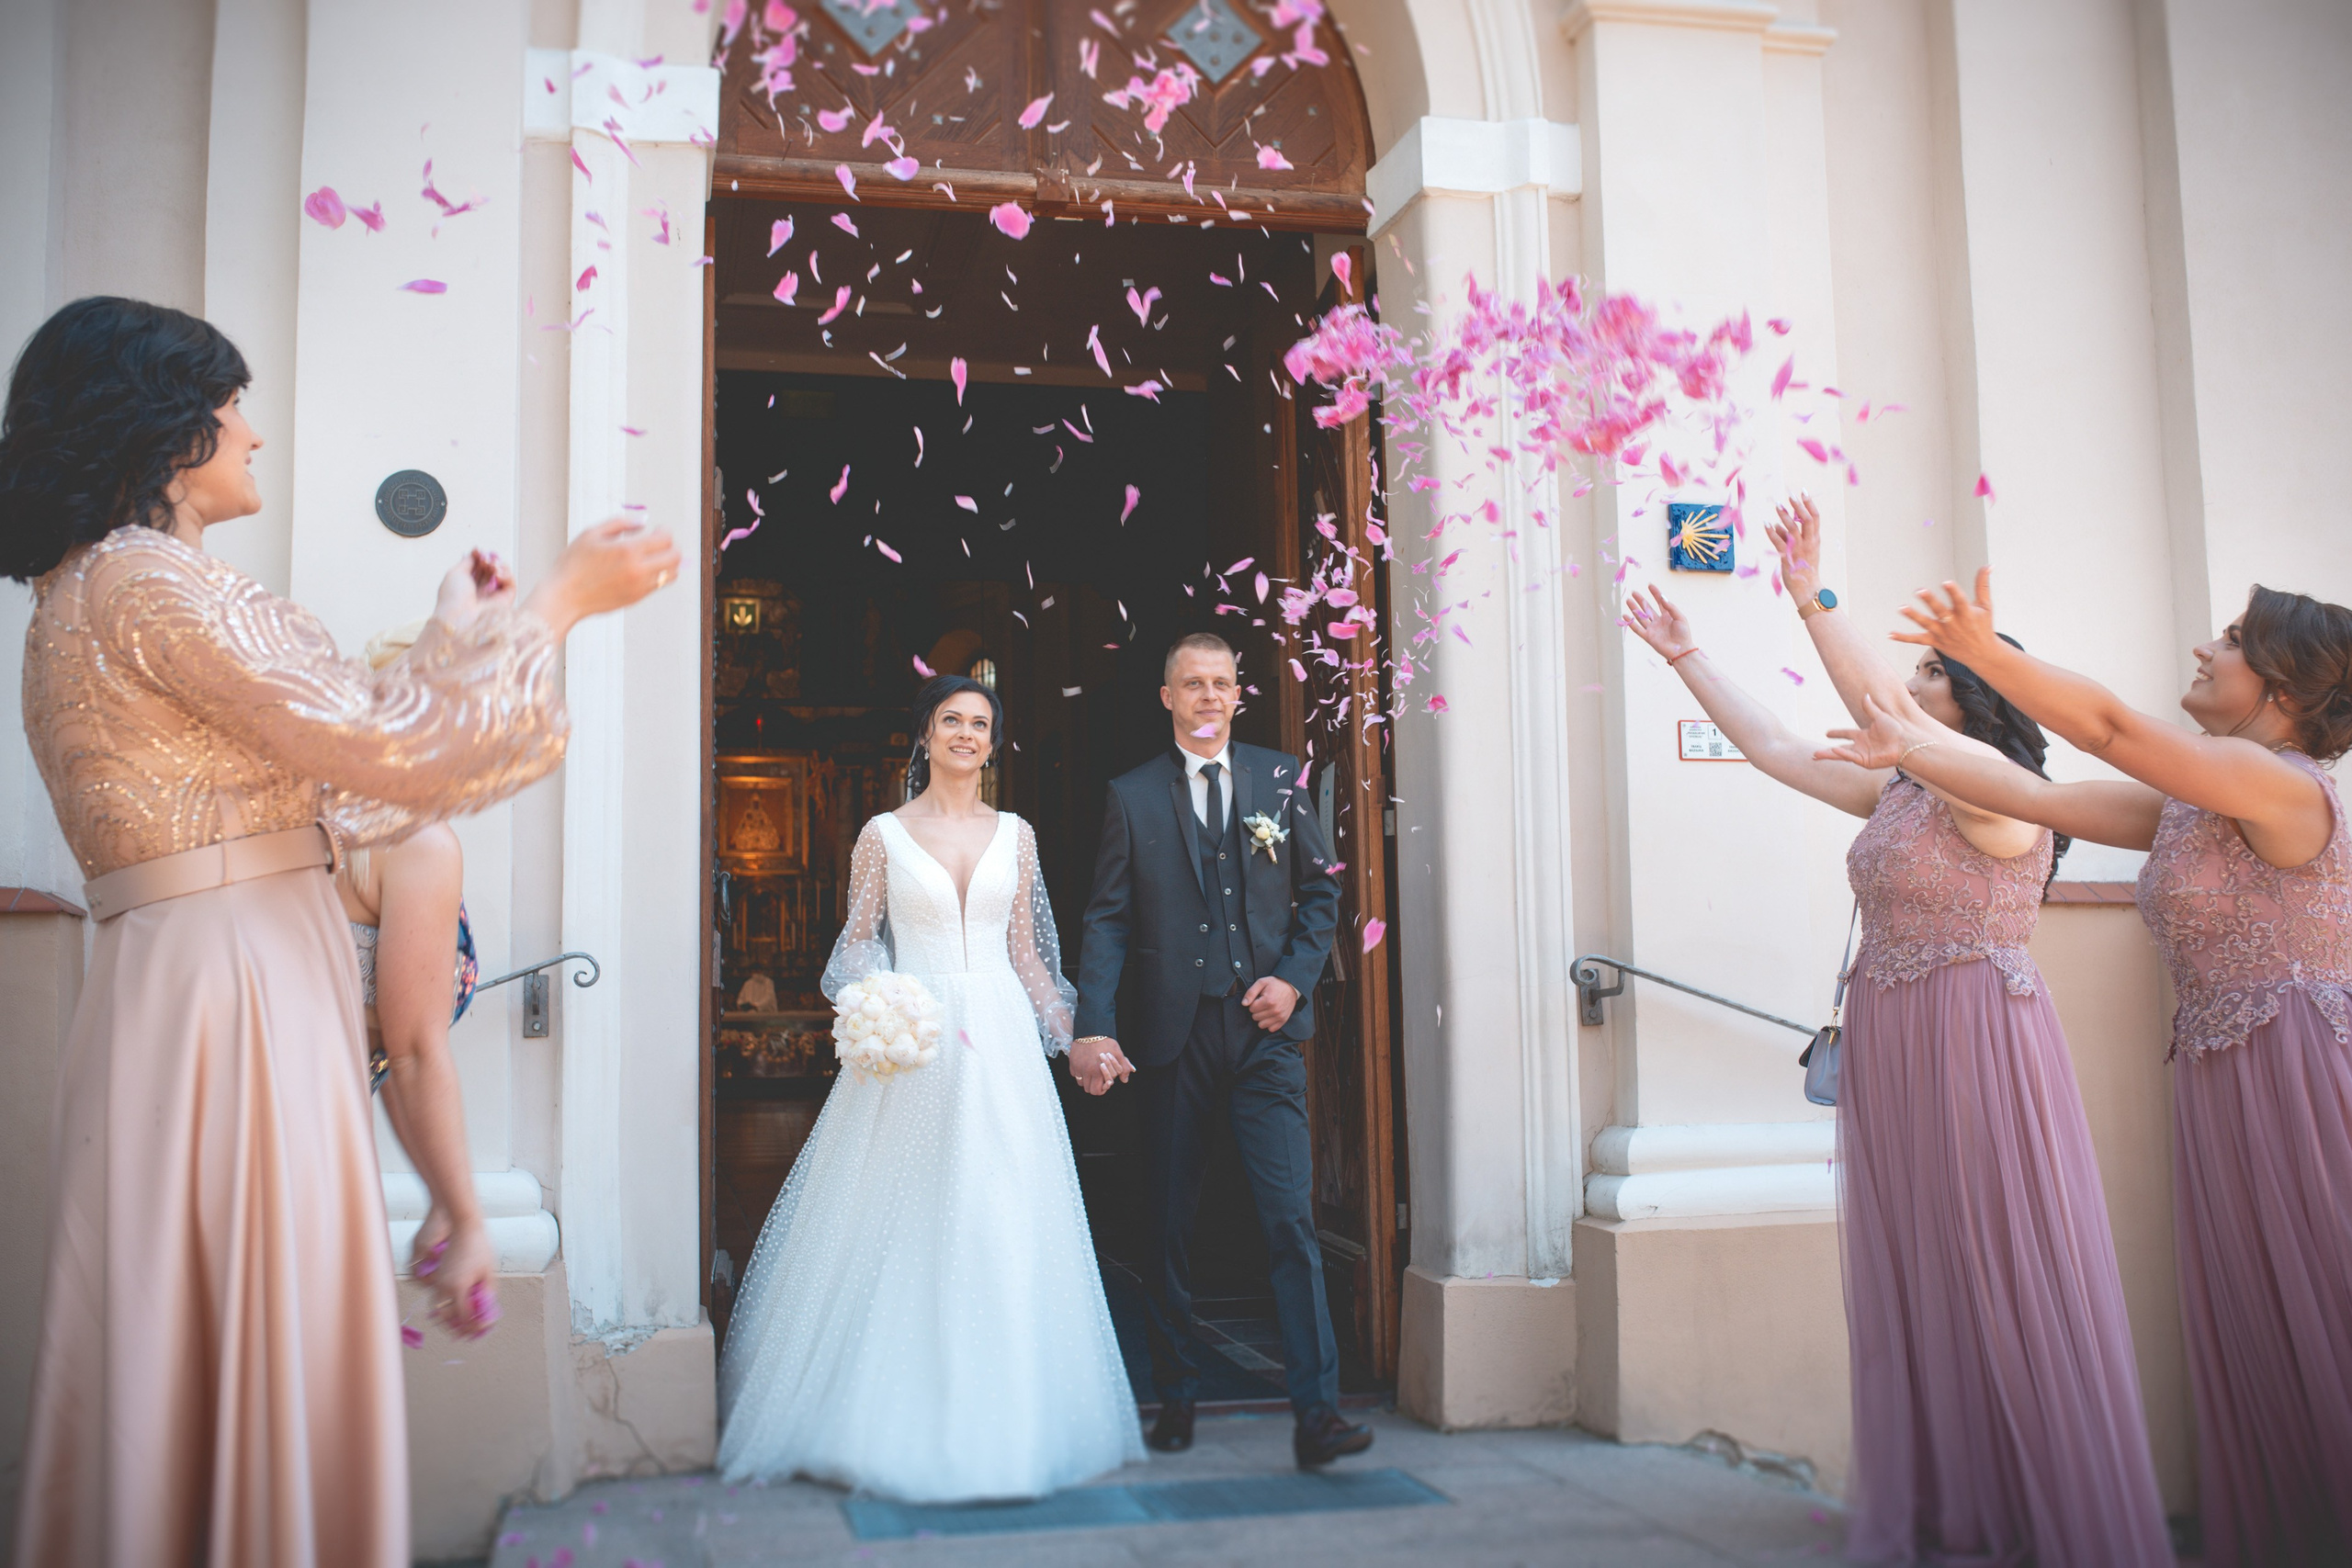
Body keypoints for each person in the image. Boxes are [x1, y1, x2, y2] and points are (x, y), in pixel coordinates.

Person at [2, 296, 677, 1568]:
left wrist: (447, 636)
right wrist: (563, 603)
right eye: (233, 404)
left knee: (184, 1328)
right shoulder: (150, 582)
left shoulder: (87, 592)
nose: (253, 433)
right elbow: (383, 755)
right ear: (168, 426)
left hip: (192, 972)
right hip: (235, 972)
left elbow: (336, 784)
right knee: (250, 1323)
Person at [1620, 499, 2171, 1564]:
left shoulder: (2004, 801)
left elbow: (1882, 710)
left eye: (1928, 671)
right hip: (1894, 1030)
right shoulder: (1904, 795)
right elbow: (1780, 748)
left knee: (1998, 1256)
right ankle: (1958, 1497)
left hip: (1975, 1038)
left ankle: (2047, 1506)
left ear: (1971, 700)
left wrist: (1810, 595)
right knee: (1925, 1264)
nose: (1911, 680)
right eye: (1915, 666)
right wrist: (1692, 657)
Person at [1818, 570, 2352, 1568]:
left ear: (2283, 687)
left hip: (2303, 1078)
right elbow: (2032, 792)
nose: (2206, 649)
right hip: (2220, 1079)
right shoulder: (2190, 805)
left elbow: (2105, 726)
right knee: (2262, 1336)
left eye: (2231, 640)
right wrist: (1914, 744)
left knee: (2328, 1311)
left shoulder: (2282, 787)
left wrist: (1987, 656)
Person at [716, 674, 1143, 1502]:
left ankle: (1010, 1422)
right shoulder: (882, 834)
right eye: (952, 719)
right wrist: (881, 1004)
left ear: (993, 741)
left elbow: (1028, 958)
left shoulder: (1016, 835)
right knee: (906, 1212)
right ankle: (888, 1414)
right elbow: (854, 949)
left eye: (980, 722)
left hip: (1001, 1050)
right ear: (924, 735)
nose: (966, 733)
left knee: (1002, 1210)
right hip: (914, 1047)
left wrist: (1077, 1035)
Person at [1072, 632, 1364, 1469]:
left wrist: (1295, 981)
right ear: (1167, 697)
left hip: (1267, 1033)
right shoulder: (1131, 797)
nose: (1208, 696)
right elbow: (1108, 920)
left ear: (1240, 695)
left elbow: (1321, 894)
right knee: (1169, 1220)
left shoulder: (1281, 778)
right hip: (1173, 1035)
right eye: (1192, 684)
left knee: (1290, 1220)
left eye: (1222, 683)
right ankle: (1176, 1391)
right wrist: (1096, 1022)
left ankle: (1318, 1413)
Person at [336, 623, 496, 1337]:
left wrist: (435, 1189)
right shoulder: (416, 844)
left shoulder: (322, 814)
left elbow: (384, 1053)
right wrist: (466, 1218)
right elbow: (413, 1052)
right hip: (306, 1124)